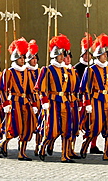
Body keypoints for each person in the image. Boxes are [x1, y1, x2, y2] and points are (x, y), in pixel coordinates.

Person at [79, 33, 108, 161]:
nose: (105, 56)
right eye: (103, 54)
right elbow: (85, 88)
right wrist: (87, 103)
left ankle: (107, 152)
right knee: (95, 126)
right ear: (98, 56)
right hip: (96, 100)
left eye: (106, 54)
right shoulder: (90, 70)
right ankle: (86, 144)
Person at [35, 34, 74, 163]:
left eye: (63, 55)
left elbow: (69, 87)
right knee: (53, 129)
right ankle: (43, 145)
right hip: (52, 102)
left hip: (65, 102)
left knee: (67, 129)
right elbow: (40, 87)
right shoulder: (47, 70)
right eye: (60, 55)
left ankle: (65, 155)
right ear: (55, 55)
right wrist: (44, 101)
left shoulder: (65, 70)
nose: (63, 57)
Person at [0, 38, 36, 161]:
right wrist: (5, 103)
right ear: (15, 58)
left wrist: (34, 103)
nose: (23, 60)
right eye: (20, 58)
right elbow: (2, 89)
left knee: (27, 128)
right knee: (15, 127)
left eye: (23, 58)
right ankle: (4, 142)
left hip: (25, 102)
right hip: (14, 102)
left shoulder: (27, 72)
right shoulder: (8, 72)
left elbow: (31, 89)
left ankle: (22, 152)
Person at [74, 33, 103, 154]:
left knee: (95, 122)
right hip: (81, 99)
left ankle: (93, 145)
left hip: (94, 99)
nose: (87, 57)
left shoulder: (95, 67)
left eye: (89, 55)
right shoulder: (77, 68)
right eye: (85, 55)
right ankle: (78, 145)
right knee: (82, 123)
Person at [63, 49, 81, 159]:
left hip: (73, 101)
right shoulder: (60, 71)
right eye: (66, 57)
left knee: (74, 126)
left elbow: (78, 87)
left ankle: (71, 149)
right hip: (63, 101)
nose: (68, 59)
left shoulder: (74, 71)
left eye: (70, 56)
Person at [24, 40, 41, 156]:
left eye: (35, 58)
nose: (34, 61)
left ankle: (37, 146)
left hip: (40, 100)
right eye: (32, 59)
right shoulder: (25, 71)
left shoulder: (40, 71)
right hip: (29, 100)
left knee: (40, 124)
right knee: (28, 125)